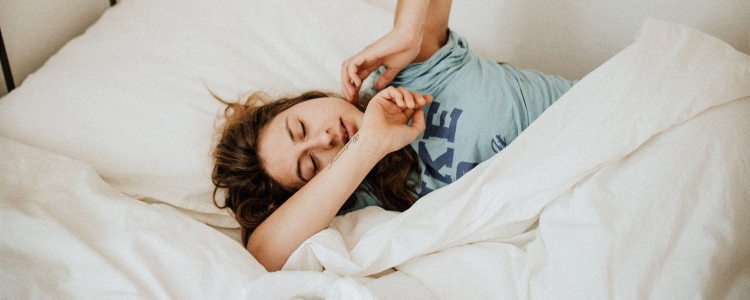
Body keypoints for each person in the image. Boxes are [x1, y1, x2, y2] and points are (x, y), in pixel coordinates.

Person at [212, 0, 575, 272]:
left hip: (595, 124)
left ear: (307, 100)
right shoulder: (367, 203)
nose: (323, 141)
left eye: (301, 128)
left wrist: (407, 29)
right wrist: (367, 145)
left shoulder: (408, 74)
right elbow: (264, 255)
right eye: (310, 165)